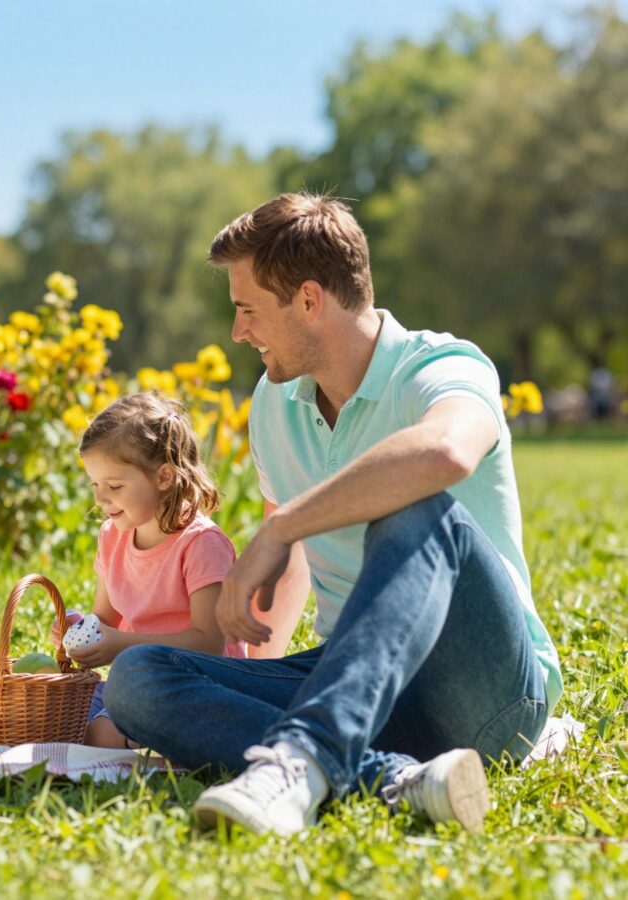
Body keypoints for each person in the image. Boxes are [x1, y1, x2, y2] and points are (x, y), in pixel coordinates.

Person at [103, 194, 561, 836]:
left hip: (483, 690)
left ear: (310, 301)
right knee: (138, 678)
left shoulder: (441, 367)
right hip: (352, 685)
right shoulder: (274, 401)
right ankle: (393, 778)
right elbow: (283, 573)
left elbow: (445, 450)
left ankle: (303, 756)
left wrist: (286, 522)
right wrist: (237, 682)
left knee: (417, 510)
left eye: (247, 310)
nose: (237, 332)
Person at [55, 393, 244, 748]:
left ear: (164, 477)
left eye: (114, 487)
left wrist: (120, 645)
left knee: (98, 733)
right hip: (139, 683)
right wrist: (80, 632)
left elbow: (210, 643)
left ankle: (150, 741)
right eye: (95, 486)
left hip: (200, 687)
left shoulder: (201, 544)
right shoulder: (113, 536)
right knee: (56, 715)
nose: (100, 499)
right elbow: (104, 618)